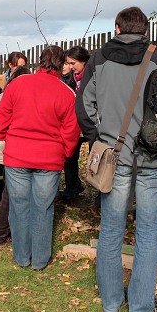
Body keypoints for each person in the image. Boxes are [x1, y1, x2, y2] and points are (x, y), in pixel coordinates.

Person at [76, 7, 157, 312]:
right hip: (153, 156)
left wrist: (98, 138)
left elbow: (83, 106)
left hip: (113, 157)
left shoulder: (99, 59)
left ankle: (111, 301)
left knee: (111, 230)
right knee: (147, 232)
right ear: (146, 30)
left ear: (117, 28)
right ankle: (142, 305)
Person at [0, 45, 80, 270]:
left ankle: (22, 256)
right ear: (62, 65)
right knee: (43, 207)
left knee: (19, 206)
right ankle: (40, 259)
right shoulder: (65, 92)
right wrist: (65, 152)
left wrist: (3, 135)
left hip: (17, 155)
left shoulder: (18, 84)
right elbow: (71, 129)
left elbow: (2, 116)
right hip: (48, 158)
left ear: (40, 61)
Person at [0, 66, 31, 248]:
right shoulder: (6, 99)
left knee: (12, 193)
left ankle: (7, 230)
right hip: (11, 152)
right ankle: (0, 231)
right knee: (10, 195)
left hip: (9, 151)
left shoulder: (2, 98)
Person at [60, 45, 90, 202]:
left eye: (73, 63)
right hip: (75, 124)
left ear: (83, 61)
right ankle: (72, 188)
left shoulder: (92, 76)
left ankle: (100, 190)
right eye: (68, 64)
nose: (70, 67)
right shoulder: (70, 78)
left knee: (96, 158)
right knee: (70, 156)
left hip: (91, 123)